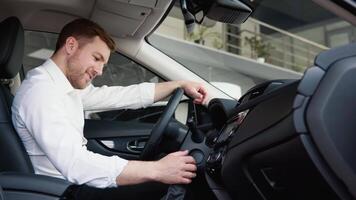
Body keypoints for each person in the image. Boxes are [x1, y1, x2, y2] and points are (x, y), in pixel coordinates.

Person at [11, 18, 207, 199]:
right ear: (70, 46)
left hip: (71, 184)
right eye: (96, 58)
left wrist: (177, 85)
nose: (100, 71)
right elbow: (76, 164)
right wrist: (158, 170)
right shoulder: (41, 92)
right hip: (62, 192)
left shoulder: (61, 87)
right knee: (173, 185)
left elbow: (116, 96)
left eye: (103, 63)